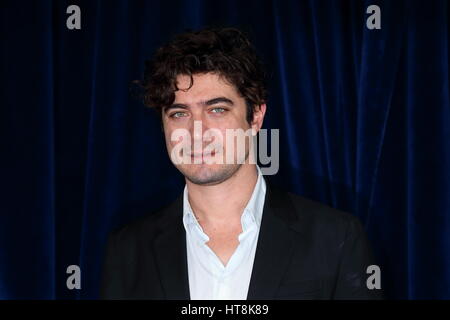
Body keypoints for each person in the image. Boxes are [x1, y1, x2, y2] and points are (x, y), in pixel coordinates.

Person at [100, 27, 382, 300]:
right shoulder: (127, 250)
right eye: (179, 113)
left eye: (217, 110)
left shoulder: (335, 238)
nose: (197, 131)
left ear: (256, 117)